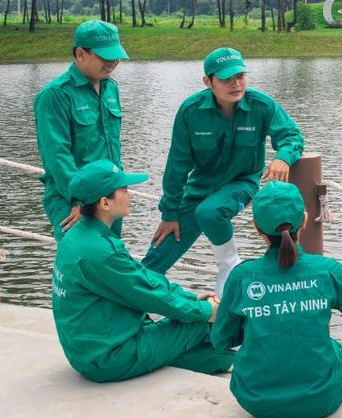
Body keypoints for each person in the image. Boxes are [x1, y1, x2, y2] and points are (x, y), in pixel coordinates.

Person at [213, 181, 342, 418]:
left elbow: (221, 340)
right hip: (321, 400)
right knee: (333, 347)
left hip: (256, 402)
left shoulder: (242, 276)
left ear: (256, 228)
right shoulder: (328, 271)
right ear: (304, 220)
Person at [51, 159, 234, 382]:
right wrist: (206, 310)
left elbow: (142, 277)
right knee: (202, 323)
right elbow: (150, 296)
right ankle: (253, 356)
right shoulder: (100, 252)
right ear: (105, 203)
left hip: (91, 351)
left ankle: (230, 359)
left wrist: (192, 297)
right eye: (124, 189)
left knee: (202, 347)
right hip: (110, 355)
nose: (130, 194)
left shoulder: (80, 235)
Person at [142, 47, 303, 296]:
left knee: (210, 212)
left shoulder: (261, 104)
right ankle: (134, 319)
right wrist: (170, 212)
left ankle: (230, 263)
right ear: (208, 81)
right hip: (198, 188)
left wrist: (283, 157)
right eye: (226, 78)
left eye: (240, 76)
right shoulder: (190, 111)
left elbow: (291, 134)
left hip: (242, 183)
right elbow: (177, 165)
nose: (236, 84)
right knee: (151, 264)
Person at [34, 20, 129, 240]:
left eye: (116, 56)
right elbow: (57, 155)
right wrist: (80, 200)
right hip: (70, 198)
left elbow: (113, 145)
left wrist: (120, 190)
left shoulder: (110, 88)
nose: (113, 62)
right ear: (80, 54)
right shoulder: (55, 95)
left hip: (109, 194)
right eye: (105, 57)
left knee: (110, 261)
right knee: (82, 259)